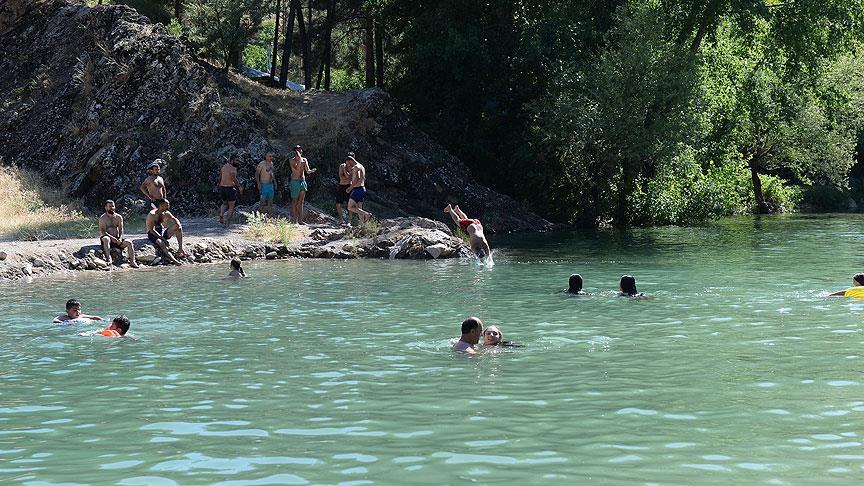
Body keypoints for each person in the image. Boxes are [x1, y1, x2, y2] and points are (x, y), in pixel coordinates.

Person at [98, 200, 139, 268]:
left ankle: (132, 261)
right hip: (108, 239)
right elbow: (103, 231)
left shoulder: (119, 217)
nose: (112, 208)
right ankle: (109, 259)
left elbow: (121, 229)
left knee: (129, 242)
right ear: (106, 207)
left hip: (117, 240)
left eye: (113, 206)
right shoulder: (103, 218)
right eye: (110, 206)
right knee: (106, 239)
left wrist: (119, 238)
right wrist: (112, 238)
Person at [146, 199, 184, 265]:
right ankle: (175, 261)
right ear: (161, 205)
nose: (168, 207)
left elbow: (175, 220)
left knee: (178, 227)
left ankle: (180, 249)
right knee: (161, 243)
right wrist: (163, 239)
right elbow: (152, 230)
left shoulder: (166, 213)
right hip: (153, 234)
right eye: (166, 206)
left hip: (162, 232)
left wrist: (178, 223)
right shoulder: (152, 214)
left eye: (168, 205)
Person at [289, 145, 317, 224]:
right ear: (295, 151)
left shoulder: (304, 159)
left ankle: (300, 220)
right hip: (295, 181)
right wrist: (299, 161)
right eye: (298, 150)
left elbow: (307, 171)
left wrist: (312, 171)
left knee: (301, 202)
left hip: (302, 181)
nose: (300, 151)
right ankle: (295, 220)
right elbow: (296, 171)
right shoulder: (291, 160)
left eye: (300, 149)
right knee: (294, 201)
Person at [345, 155, 372, 226]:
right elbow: (363, 178)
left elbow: (357, 179)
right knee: (359, 209)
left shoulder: (356, 167)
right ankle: (364, 226)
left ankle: (367, 214)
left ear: (350, 161)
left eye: (348, 163)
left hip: (357, 189)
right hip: (362, 189)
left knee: (350, 207)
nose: (348, 165)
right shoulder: (361, 166)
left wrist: (350, 188)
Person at [218, 156, 244, 225]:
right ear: (232, 161)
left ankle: (221, 215)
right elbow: (234, 179)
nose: (238, 162)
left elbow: (220, 177)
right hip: (229, 188)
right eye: (236, 161)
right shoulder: (233, 169)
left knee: (224, 203)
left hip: (222, 187)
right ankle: (228, 222)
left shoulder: (224, 166)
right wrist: (239, 187)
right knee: (231, 206)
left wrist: (219, 184)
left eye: (238, 161)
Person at [256, 152, 277, 218]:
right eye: (269, 156)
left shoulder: (271, 163)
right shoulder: (261, 164)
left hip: (270, 185)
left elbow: (272, 174)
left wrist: (275, 182)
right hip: (263, 185)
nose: (271, 158)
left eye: (271, 156)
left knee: (270, 203)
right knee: (262, 202)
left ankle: (269, 217)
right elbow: (256, 174)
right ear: (266, 156)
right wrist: (258, 183)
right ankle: (260, 218)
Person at [334, 153, 353, 226]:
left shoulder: (353, 167)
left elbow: (349, 177)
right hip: (341, 185)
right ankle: (341, 220)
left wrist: (345, 170)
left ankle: (349, 221)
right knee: (338, 203)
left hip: (349, 186)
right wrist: (345, 172)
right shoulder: (342, 166)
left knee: (350, 204)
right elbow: (341, 177)